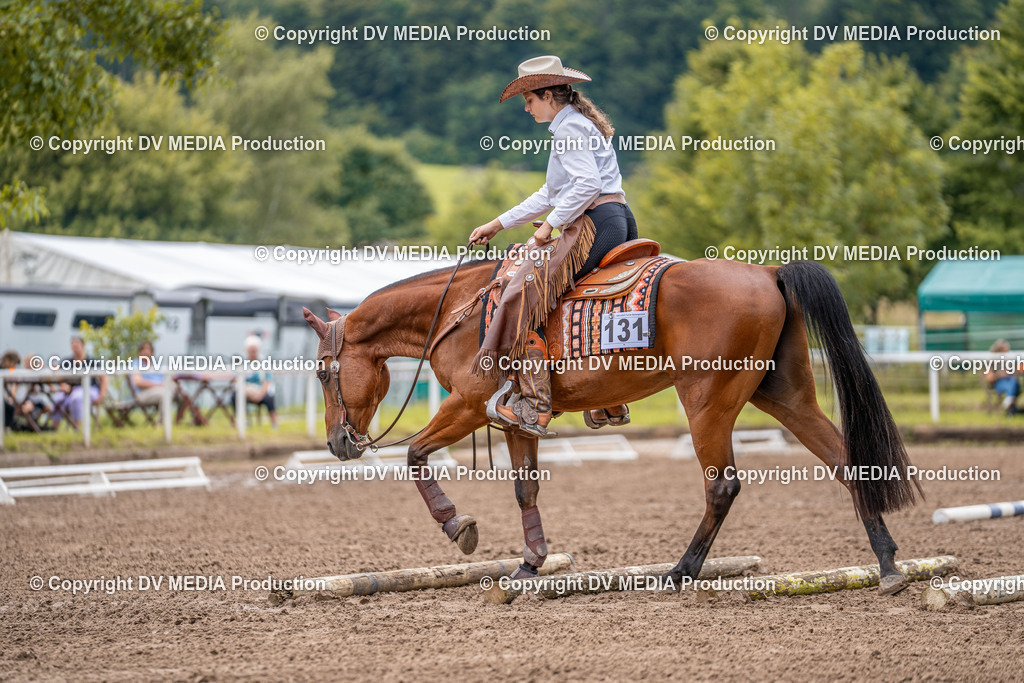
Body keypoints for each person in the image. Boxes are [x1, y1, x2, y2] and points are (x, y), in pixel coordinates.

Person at [469, 55, 635, 437]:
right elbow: (551, 192)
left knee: (524, 291)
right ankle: (605, 395)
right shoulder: (576, 125)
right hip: (615, 217)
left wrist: (546, 231)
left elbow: (586, 185)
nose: (526, 108)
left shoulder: (570, 129)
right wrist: (498, 223)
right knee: (567, 296)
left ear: (546, 95)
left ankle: (535, 407)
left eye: (528, 100)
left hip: (595, 222)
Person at [51, 336, 108, 428]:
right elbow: (58, 376)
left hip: (89, 389)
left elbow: (104, 378)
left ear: (83, 345)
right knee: (57, 399)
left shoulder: (92, 362)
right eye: (73, 344)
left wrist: (102, 395)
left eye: (77, 344)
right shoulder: (66, 362)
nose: (75, 346)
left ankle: (76, 429)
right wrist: (63, 385)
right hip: (69, 391)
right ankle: (53, 429)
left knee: (76, 398)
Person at [229, 335, 278, 428]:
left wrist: (260, 394)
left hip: (261, 390)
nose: (253, 352)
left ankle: (274, 423)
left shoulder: (264, 362)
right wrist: (246, 391)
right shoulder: (241, 362)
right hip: (246, 390)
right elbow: (236, 379)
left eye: (254, 350)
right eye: (251, 350)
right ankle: (242, 421)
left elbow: (268, 381)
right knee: (235, 396)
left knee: (269, 398)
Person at [986, 339, 1020, 416]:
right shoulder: (991, 360)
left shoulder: (1009, 359)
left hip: (1011, 381)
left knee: (1013, 381)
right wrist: (999, 374)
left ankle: (1009, 402)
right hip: (998, 384)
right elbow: (989, 378)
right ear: (999, 350)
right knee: (1013, 383)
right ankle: (1010, 405)